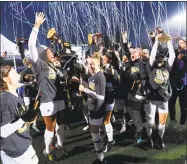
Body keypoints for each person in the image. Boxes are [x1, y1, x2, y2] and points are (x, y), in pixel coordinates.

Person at [28, 12, 67, 161]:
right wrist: (37, 25)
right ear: (43, 54)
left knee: (61, 126)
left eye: (51, 50)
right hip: (48, 101)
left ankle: (60, 145)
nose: (52, 52)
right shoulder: (40, 64)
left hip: (60, 99)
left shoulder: (55, 66)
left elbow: (64, 53)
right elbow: (31, 45)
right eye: (49, 51)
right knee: (50, 128)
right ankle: (47, 150)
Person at [0, 66, 38, 164]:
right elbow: (2, 131)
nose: (19, 75)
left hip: (22, 144)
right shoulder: (5, 101)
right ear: (5, 79)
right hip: (15, 150)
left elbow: (19, 121)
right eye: (15, 73)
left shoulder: (16, 96)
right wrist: (23, 119)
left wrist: (30, 117)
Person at [145, 34, 175, 149]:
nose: (160, 58)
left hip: (163, 98)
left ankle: (160, 138)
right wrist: (156, 42)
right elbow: (152, 55)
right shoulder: (151, 67)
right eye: (159, 56)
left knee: (162, 122)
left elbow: (172, 56)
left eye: (162, 57)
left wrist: (169, 42)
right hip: (152, 98)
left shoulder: (167, 67)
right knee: (151, 120)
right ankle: (150, 138)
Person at [79, 52, 107, 164]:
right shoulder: (92, 76)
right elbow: (92, 90)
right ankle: (99, 153)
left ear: (98, 63)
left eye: (92, 64)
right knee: (94, 133)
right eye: (89, 64)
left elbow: (101, 96)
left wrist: (85, 90)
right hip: (92, 108)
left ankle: (101, 159)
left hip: (97, 109)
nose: (90, 66)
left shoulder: (100, 76)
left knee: (95, 134)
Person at [101, 52, 119, 152]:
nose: (103, 60)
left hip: (109, 97)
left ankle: (111, 140)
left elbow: (116, 82)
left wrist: (111, 74)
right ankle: (107, 136)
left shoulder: (113, 70)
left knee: (106, 120)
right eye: (102, 58)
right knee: (103, 121)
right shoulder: (101, 68)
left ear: (110, 60)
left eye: (104, 59)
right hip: (102, 98)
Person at [169, 37, 187, 131]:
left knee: (183, 104)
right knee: (171, 102)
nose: (179, 43)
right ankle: (172, 120)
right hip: (173, 82)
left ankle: (182, 123)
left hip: (184, 83)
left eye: (181, 42)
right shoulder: (175, 52)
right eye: (179, 42)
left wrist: (184, 57)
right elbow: (165, 51)